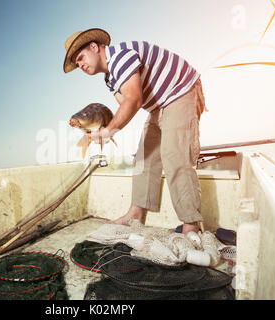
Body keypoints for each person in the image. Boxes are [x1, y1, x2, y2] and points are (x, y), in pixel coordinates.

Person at [63, 28, 206, 235]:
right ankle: (135, 214)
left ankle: (191, 226)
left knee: (175, 155)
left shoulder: (121, 57)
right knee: (142, 159)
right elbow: (125, 106)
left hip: (181, 91)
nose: (81, 65)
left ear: (94, 47)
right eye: (77, 64)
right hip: (159, 105)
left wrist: (108, 132)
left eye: (81, 57)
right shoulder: (110, 79)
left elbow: (133, 100)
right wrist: (95, 129)